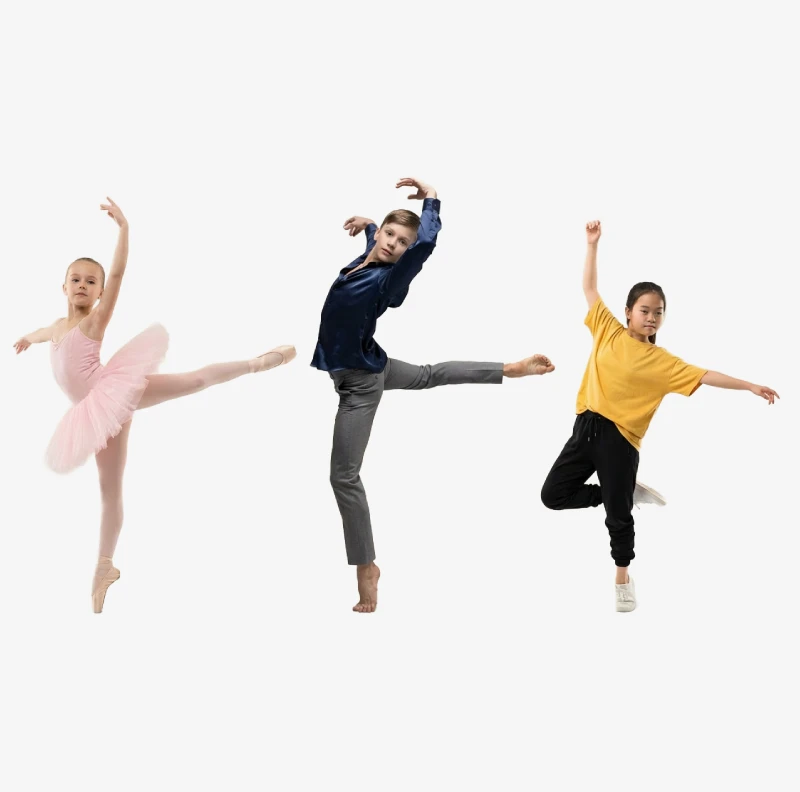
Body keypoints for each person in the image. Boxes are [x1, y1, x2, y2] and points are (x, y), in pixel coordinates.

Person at [13, 198, 295, 613]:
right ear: (63, 285)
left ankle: (260, 362)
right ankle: (104, 566)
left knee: (194, 380)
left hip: (113, 392)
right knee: (109, 491)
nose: (83, 286)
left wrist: (124, 228)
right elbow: (43, 333)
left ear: (100, 293)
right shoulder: (57, 327)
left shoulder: (95, 321)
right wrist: (25, 338)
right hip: (96, 415)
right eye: (76, 279)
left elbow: (120, 272)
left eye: (92, 282)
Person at [312, 177, 555, 613]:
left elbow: (424, 243)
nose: (392, 244)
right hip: (371, 364)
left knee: (343, 477)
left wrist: (432, 200)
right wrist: (371, 224)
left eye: (401, 242)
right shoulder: (369, 254)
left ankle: (366, 567)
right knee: (428, 375)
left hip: (358, 386)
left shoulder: (388, 280)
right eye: (389, 234)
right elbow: (381, 237)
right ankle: (510, 369)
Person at [540, 220, 779, 612]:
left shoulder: (663, 362)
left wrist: (749, 385)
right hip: (584, 430)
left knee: (618, 519)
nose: (652, 317)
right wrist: (592, 244)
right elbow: (589, 288)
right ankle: (623, 493)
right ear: (629, 312)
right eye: (645, 310)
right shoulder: (608, 331)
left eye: (659, 313)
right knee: (552, 495)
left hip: (619, 442)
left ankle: (621, 579)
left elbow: (706, 374)